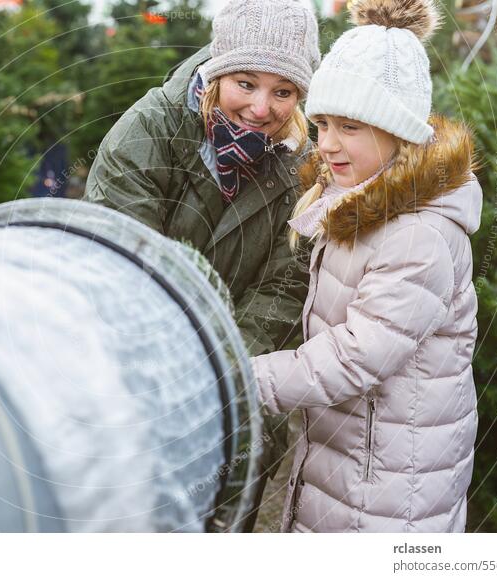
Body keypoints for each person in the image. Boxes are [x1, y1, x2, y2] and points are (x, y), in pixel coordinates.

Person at [252, 0, 482, 532]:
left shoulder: (419, 232)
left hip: (390, 493)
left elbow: (356, 356)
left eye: (350, 127)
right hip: (352, 465)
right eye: (323, 124)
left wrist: (243, 381)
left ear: (397, 131)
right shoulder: (355, 203)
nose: (327, 144)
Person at [84, 0, 320, 360]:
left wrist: (220, 372)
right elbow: (120, 259)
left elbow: (281, 290)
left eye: (283, 92)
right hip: (127, 361)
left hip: (231, 381)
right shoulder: (149, 131)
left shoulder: (301, 168)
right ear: (217, 73)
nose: (260, 108)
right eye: (245, 83)